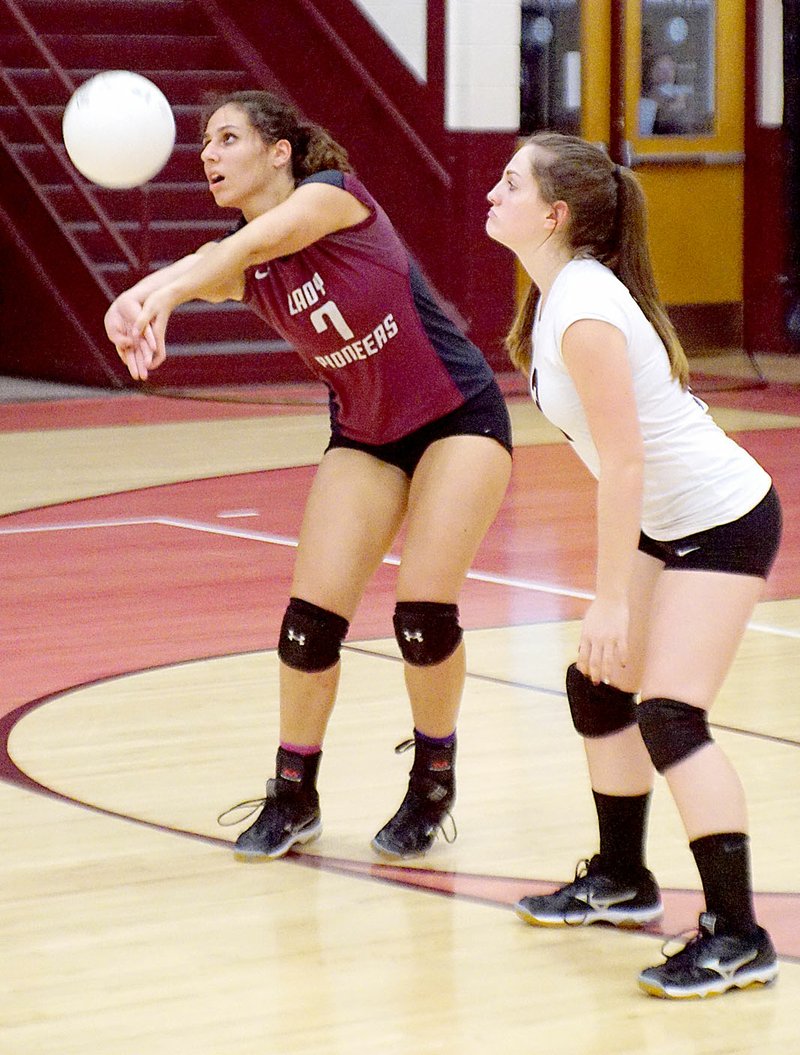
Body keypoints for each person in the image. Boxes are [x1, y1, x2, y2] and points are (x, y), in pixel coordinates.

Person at [104, 90, 512, 862]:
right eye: (204, 146)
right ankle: (294, 794)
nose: (209, 156)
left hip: (459, 418)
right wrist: (130, 306)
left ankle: (433, 781)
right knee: (307, 627)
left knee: (422, 614)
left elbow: (222, 259)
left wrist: (167, 291)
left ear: (280, 151)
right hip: (365, 435)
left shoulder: (333, 197)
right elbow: (210, 263)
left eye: (228, 138)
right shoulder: (240, 259)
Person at [485, 132, 782, 999]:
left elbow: (625, 464)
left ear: (556, 213)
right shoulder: (558, 297)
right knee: (598, 687)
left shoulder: (580, 309)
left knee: (669, 714)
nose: (492, 195)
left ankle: (739, 933)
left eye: (510, 184)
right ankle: (621, 878)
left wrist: (610, 599)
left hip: (721, 522)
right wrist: (612, 599)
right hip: (668, 521)